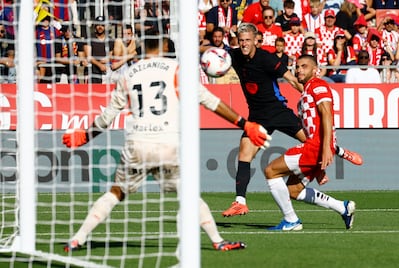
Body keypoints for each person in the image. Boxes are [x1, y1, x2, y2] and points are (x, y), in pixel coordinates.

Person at [62, 37, 271, 253]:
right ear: (164, 48)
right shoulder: (176, 70)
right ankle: (218, 241)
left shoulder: (128, 74)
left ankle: (78, 238)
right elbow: (211, 102)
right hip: (167, 145)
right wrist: (245, 125)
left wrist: (86, 136)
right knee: (188, 194)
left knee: (116, 192)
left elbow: (108, 117)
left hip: (137, 145)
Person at [221, 23, 362, 218]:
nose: (244, 44)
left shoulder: (267, 59)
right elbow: (213, 53)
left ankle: (338, 151)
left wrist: (309, 95)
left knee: (312, 140)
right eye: (241, 40)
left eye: (247, 40)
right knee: (244, 155)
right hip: (257, 117)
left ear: (256, 40)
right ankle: (240, 202)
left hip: (278, 111)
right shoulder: (234, 56)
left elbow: (293, 80)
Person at [264, 54, 355, 231]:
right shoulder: (307, 90)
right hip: (317, 147)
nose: (298, 69)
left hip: (315, 146)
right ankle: (342, 208)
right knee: (294, 190)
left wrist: (325, 149)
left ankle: (291, 220)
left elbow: (327, 114)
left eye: (304, 66)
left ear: (316, 70)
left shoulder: (318, 85)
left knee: (271, 171)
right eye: (297, 66)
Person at [83, 16, 114, 84]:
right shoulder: (89, 38)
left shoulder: (110, 40)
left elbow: (111, 55)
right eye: (98, 25)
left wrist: (108, 59)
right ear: (95, 26)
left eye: (102, 25)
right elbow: (88, 56)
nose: (100, 27)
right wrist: (100, 65)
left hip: (106, 72)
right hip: (92, 72)